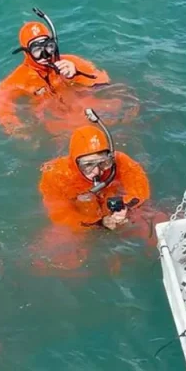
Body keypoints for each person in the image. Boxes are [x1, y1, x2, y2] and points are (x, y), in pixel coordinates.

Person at [31, 110, 157, 274]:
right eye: (87, 165)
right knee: (54, 256)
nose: (97, 171)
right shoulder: (56, 175)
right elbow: (60, 213)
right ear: (75, 161)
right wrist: (99, 223)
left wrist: (125, 208)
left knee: (157, 224)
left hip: (112, 204)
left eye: (103, 163)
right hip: (82, 213)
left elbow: (140, 187)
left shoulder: (120, 161)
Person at [0, 10, 111, 139]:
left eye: (48, 47)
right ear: (26, 52)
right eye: (37, 50)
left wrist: (76, 74)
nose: (45, 54)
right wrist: (15, 126)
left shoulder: (71, 62)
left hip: (85, 107)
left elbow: (103, 83)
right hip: (54, 121)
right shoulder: (20, 77)